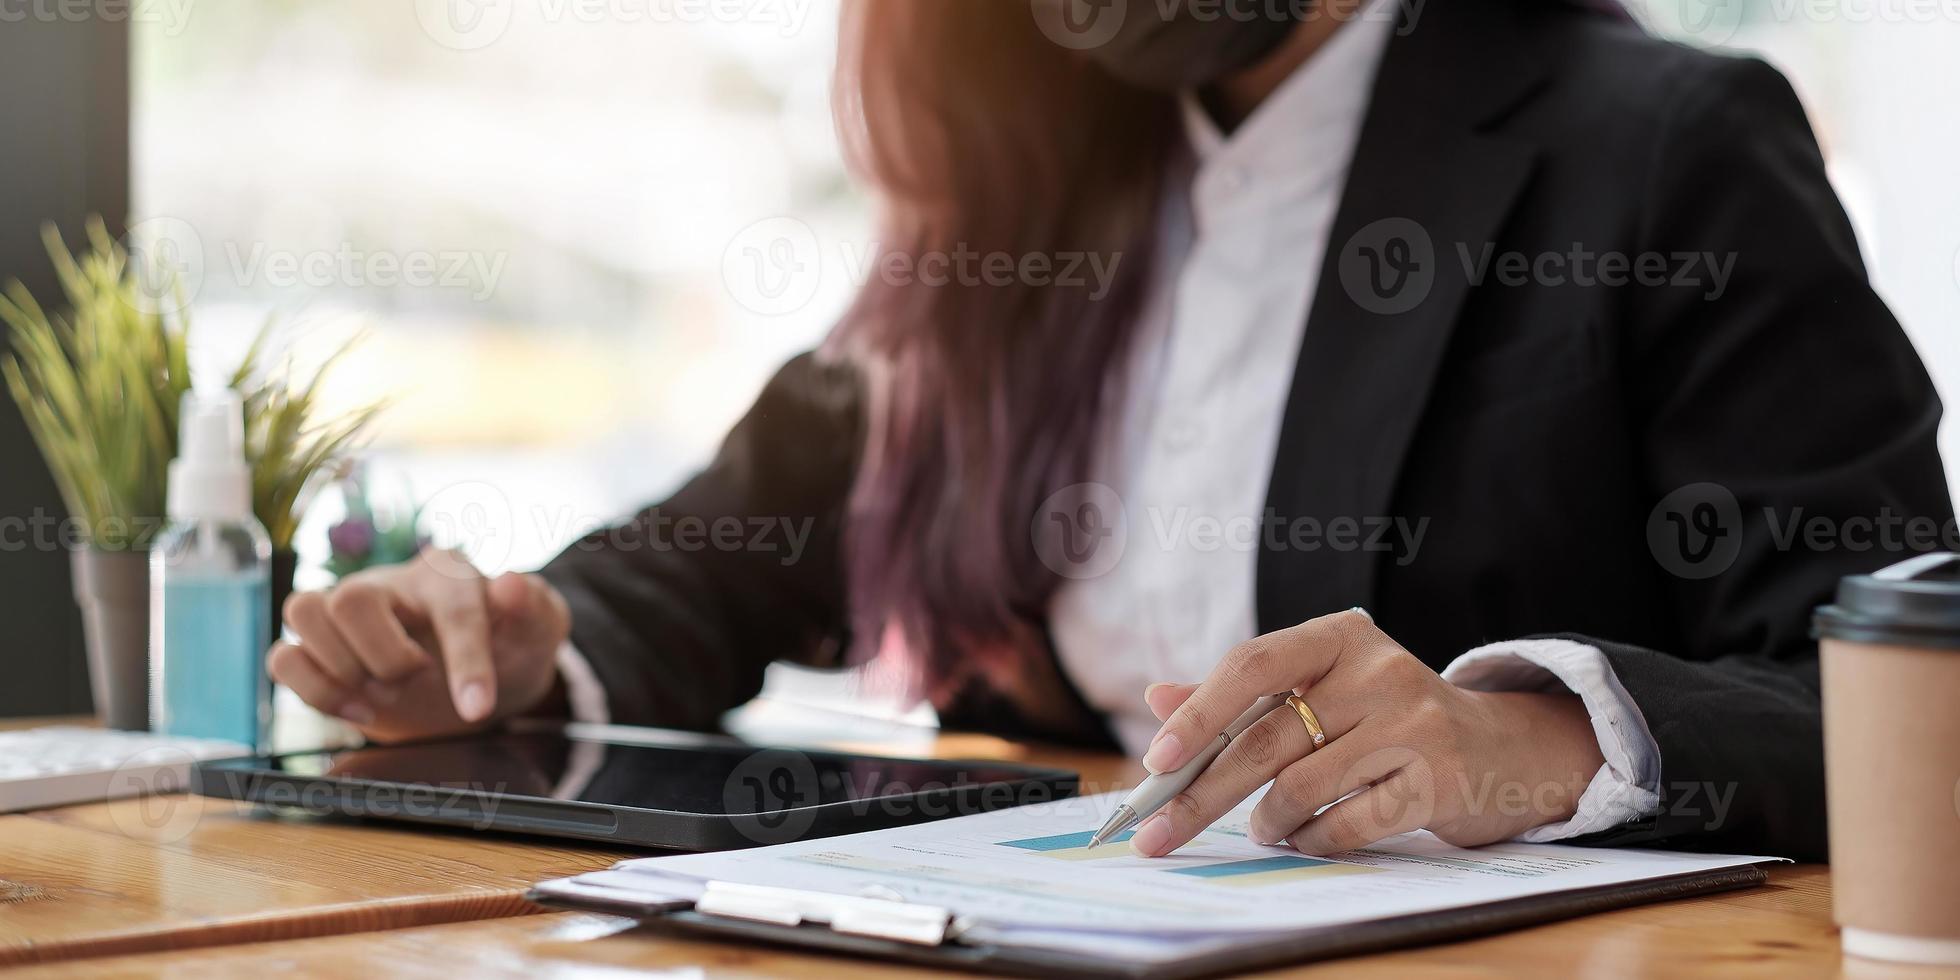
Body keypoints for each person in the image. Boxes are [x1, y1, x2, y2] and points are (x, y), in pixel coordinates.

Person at [267, 0, 1952, 862]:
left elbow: (1903, 701)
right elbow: (720, 558)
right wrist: (493, 665)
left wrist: (1529, 740)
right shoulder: (1032, 190)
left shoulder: (1663, 149)